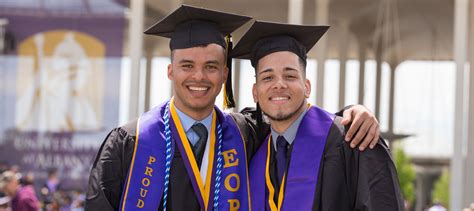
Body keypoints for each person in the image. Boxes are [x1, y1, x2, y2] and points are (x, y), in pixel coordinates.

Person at [85, 5, 381, 211]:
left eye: (211, 66)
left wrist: (353, 112)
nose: (199, 77)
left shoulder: (246, 133)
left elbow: (294, 117)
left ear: (224, 75)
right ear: (171, 71)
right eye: (187, 66)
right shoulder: (130, 143)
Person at [232, 21, 405, 210]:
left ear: (307, 87)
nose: (279, 84)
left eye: (290, 76)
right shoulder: (251, 146)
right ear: (255, 93)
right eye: (267, 77)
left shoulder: (353, 139)